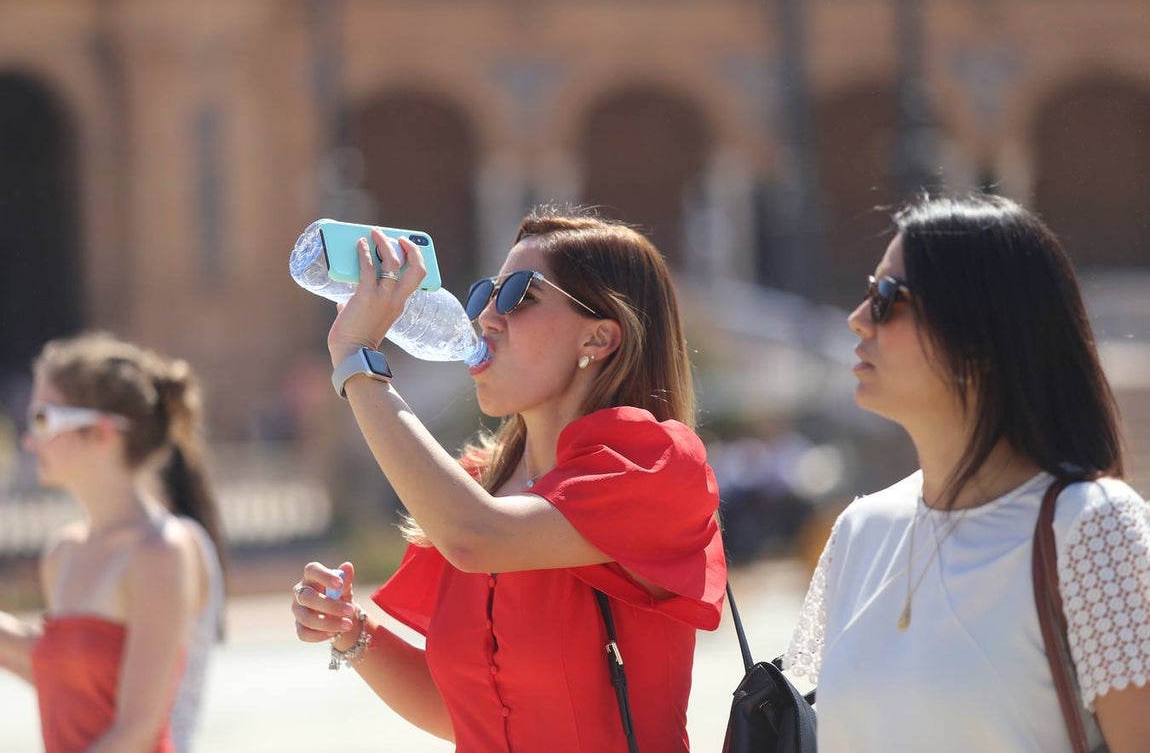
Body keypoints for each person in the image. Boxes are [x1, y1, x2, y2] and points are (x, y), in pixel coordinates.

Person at [290, 206, 726, 752]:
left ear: (598, 339)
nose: (487, 318)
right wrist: (351, 630)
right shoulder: (476, 485)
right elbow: (466, 715)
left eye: (518, 296)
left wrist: (357, 361)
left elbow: (478, 538)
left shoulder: (655, 463)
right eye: (482, 297)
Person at [784, 193, 1150, 752]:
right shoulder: (859, 531)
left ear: (979, 336)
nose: (858, 321)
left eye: (886, 298)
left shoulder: (1091, 528)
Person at [0, 333, 226, 753]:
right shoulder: (61, 553)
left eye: (43, 419)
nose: (30, 440)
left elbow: (139, 729)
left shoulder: (162, 552)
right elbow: (68, 674)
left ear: (103, 431)